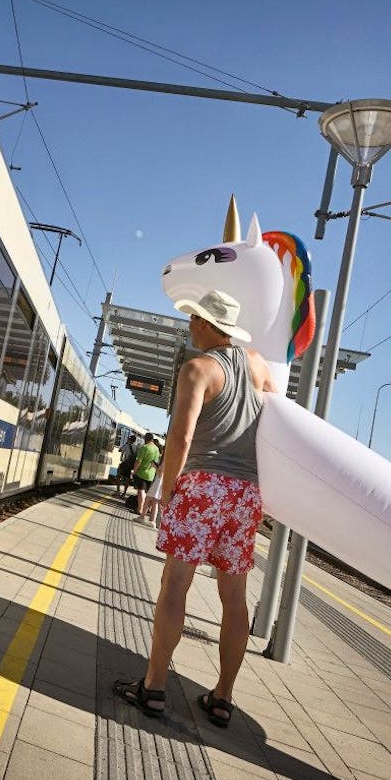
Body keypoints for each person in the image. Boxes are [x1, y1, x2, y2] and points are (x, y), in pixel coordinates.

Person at [114, 288, 275, 728]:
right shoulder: (258, 366)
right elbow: (276, 423)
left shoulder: (198, 369)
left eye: (193, 320)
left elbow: (181, 439)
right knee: (235, 598)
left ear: (207, 324)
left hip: (202, 485)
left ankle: (154, 688)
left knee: (175, 586)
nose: (189, 326)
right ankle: (223, 697)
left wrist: (168, 492)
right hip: (246, 495)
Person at [131, 432, 161, 522]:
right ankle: (146, 510)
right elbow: (155, 462)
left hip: (142, 473)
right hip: (151, 474)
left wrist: (134, 471)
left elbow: (138, 461)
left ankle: (140, 509)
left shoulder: (144, 448)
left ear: (145, 439)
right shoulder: (156, 449)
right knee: (147, 493)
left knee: (141, 491)